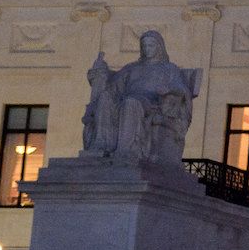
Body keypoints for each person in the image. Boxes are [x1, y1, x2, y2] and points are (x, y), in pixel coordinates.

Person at [83, 31, 201, 166]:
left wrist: (168, 90)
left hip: (152, 104)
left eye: (151, 45)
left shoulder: (169, 69)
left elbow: (181, 89)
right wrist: (101, 73)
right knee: (105, 98)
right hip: (126, 100)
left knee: (131, 103)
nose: (147, 49)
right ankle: (101, 143)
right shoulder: (132, 68)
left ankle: (126, 149)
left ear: (159, 47)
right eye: (144, 46)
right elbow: (112, 86)